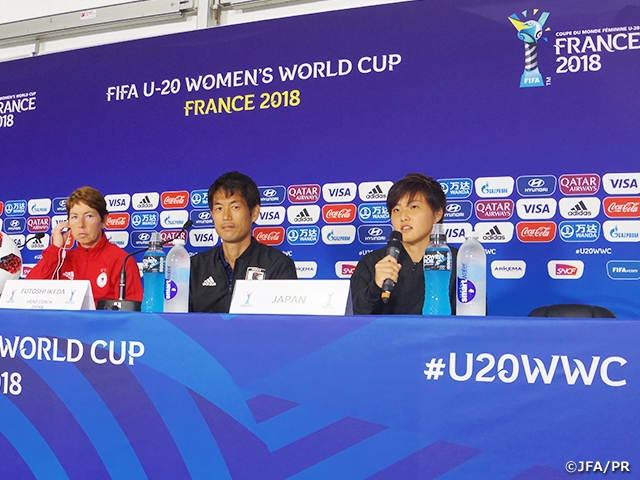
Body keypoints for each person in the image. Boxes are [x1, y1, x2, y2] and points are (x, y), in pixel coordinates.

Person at [189, 171, 297, 312]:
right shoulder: (194, 267)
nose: (226, 216)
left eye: (235, 207)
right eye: (219, 208)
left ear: (254, 213)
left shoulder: (278, 266)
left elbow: (284, 325)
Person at [350, 173, 457, 314]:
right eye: (396, 210)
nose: (403, 217)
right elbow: (351, 318)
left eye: (413, 207)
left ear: (437, 214)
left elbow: (474, 317)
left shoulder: (458, 261)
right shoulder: (372, 263)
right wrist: (375, 287)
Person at [27, 186, 143, 306]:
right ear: (68, 223)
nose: (81, 224)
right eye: (75, 217)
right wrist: (56, 248)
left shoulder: (122, 261)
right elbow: (29, 294)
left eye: (89, 216)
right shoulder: (61, 260)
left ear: (104, 220)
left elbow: (131, 315)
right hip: (64, 324)